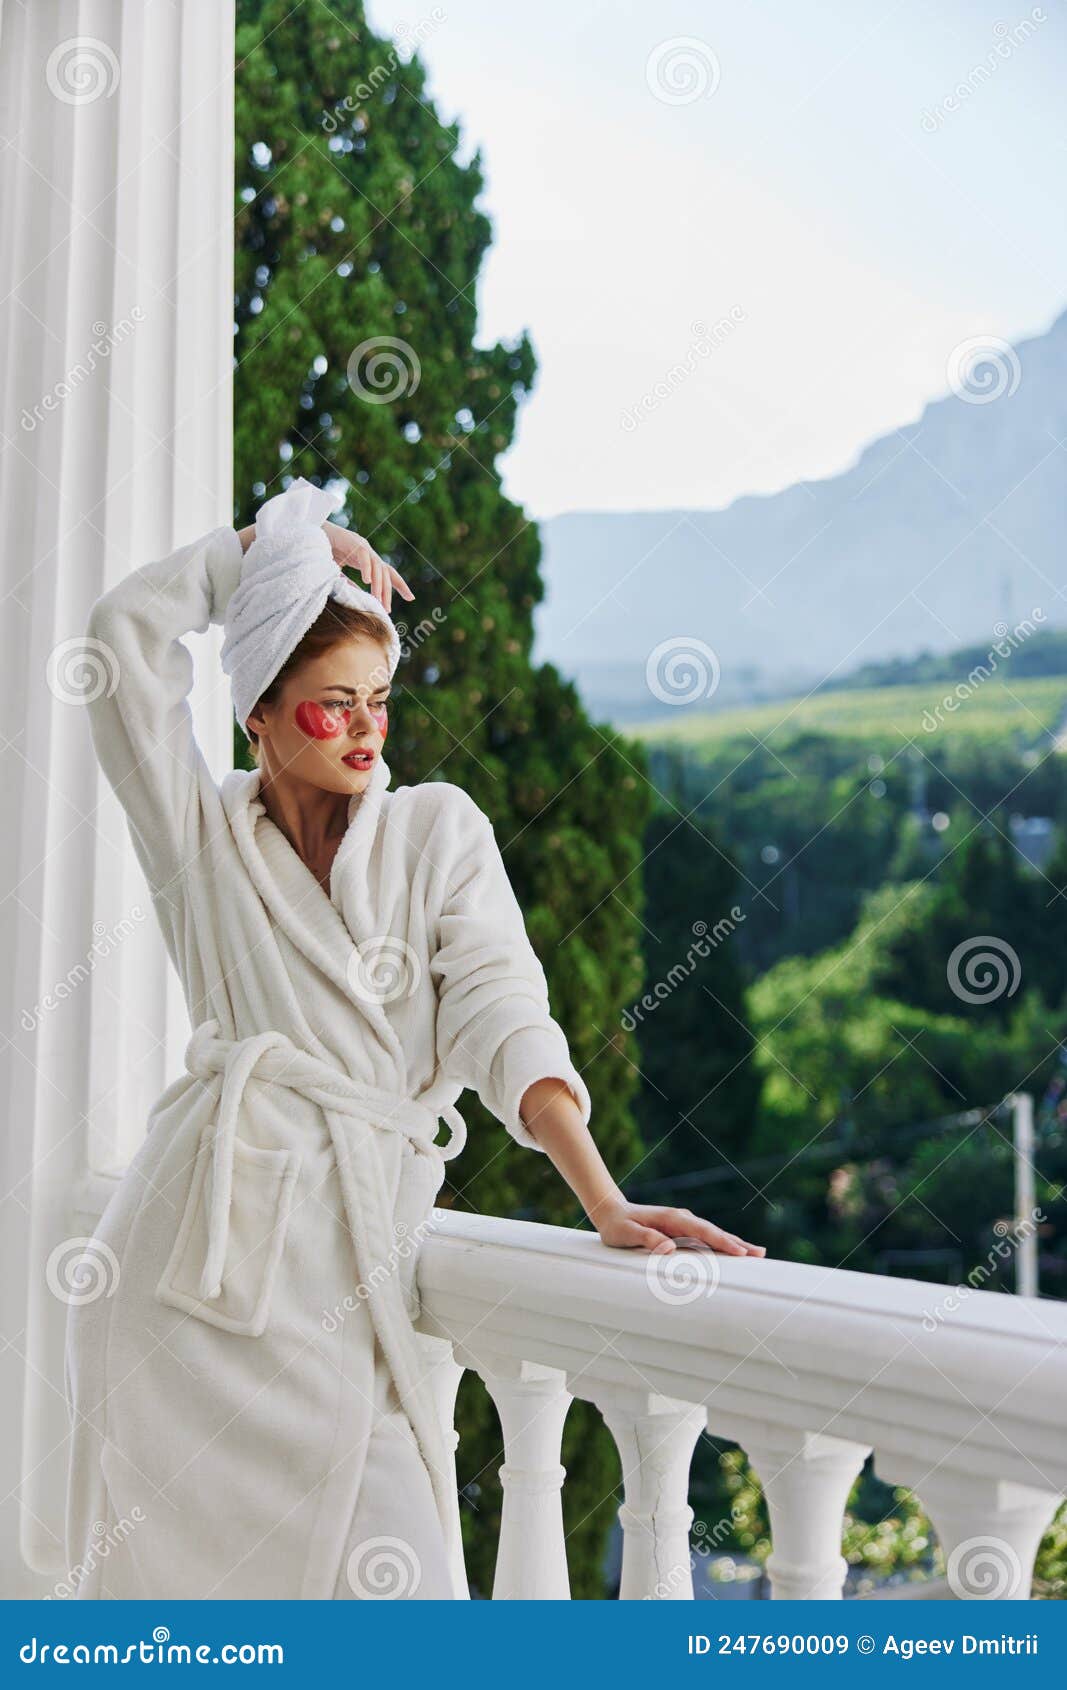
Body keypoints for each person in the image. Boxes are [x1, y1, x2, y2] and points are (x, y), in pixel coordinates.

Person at [63, 477, 764, 1600]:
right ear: (256, 712)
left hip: (347, 1287)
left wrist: (599, 1196)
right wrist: (265, 547)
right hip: (184, 1292)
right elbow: (119, 640)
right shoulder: (201, 840)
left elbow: (501, 1011)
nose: (362, 729)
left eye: (378, 699)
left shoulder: (437, 828)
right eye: (330, 701)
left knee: (408, 1590)